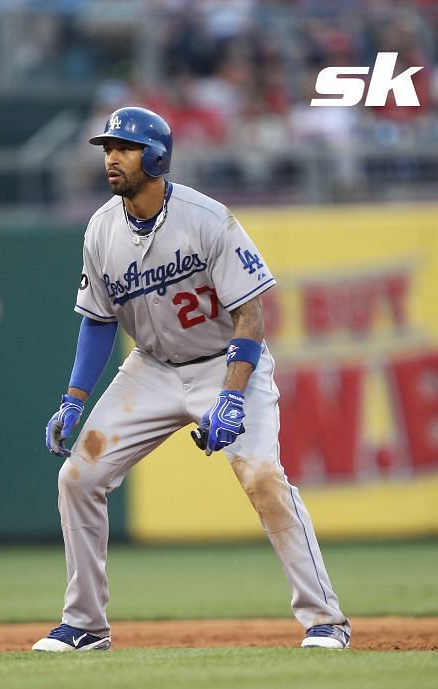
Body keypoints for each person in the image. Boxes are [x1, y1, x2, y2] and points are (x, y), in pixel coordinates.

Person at [35, 107, 350, 652]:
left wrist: (232, 397)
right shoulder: (101, 228)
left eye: (124, 147)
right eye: (107, 147)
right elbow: (97, 322)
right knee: (77, 479)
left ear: (156, 156)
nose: (111, 157)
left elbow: (250, 317)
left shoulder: (207, 219)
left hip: (224, 363)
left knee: (262, 478)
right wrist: (73, 400)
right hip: (151, 370)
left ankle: (326, 621)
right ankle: (85, 625)